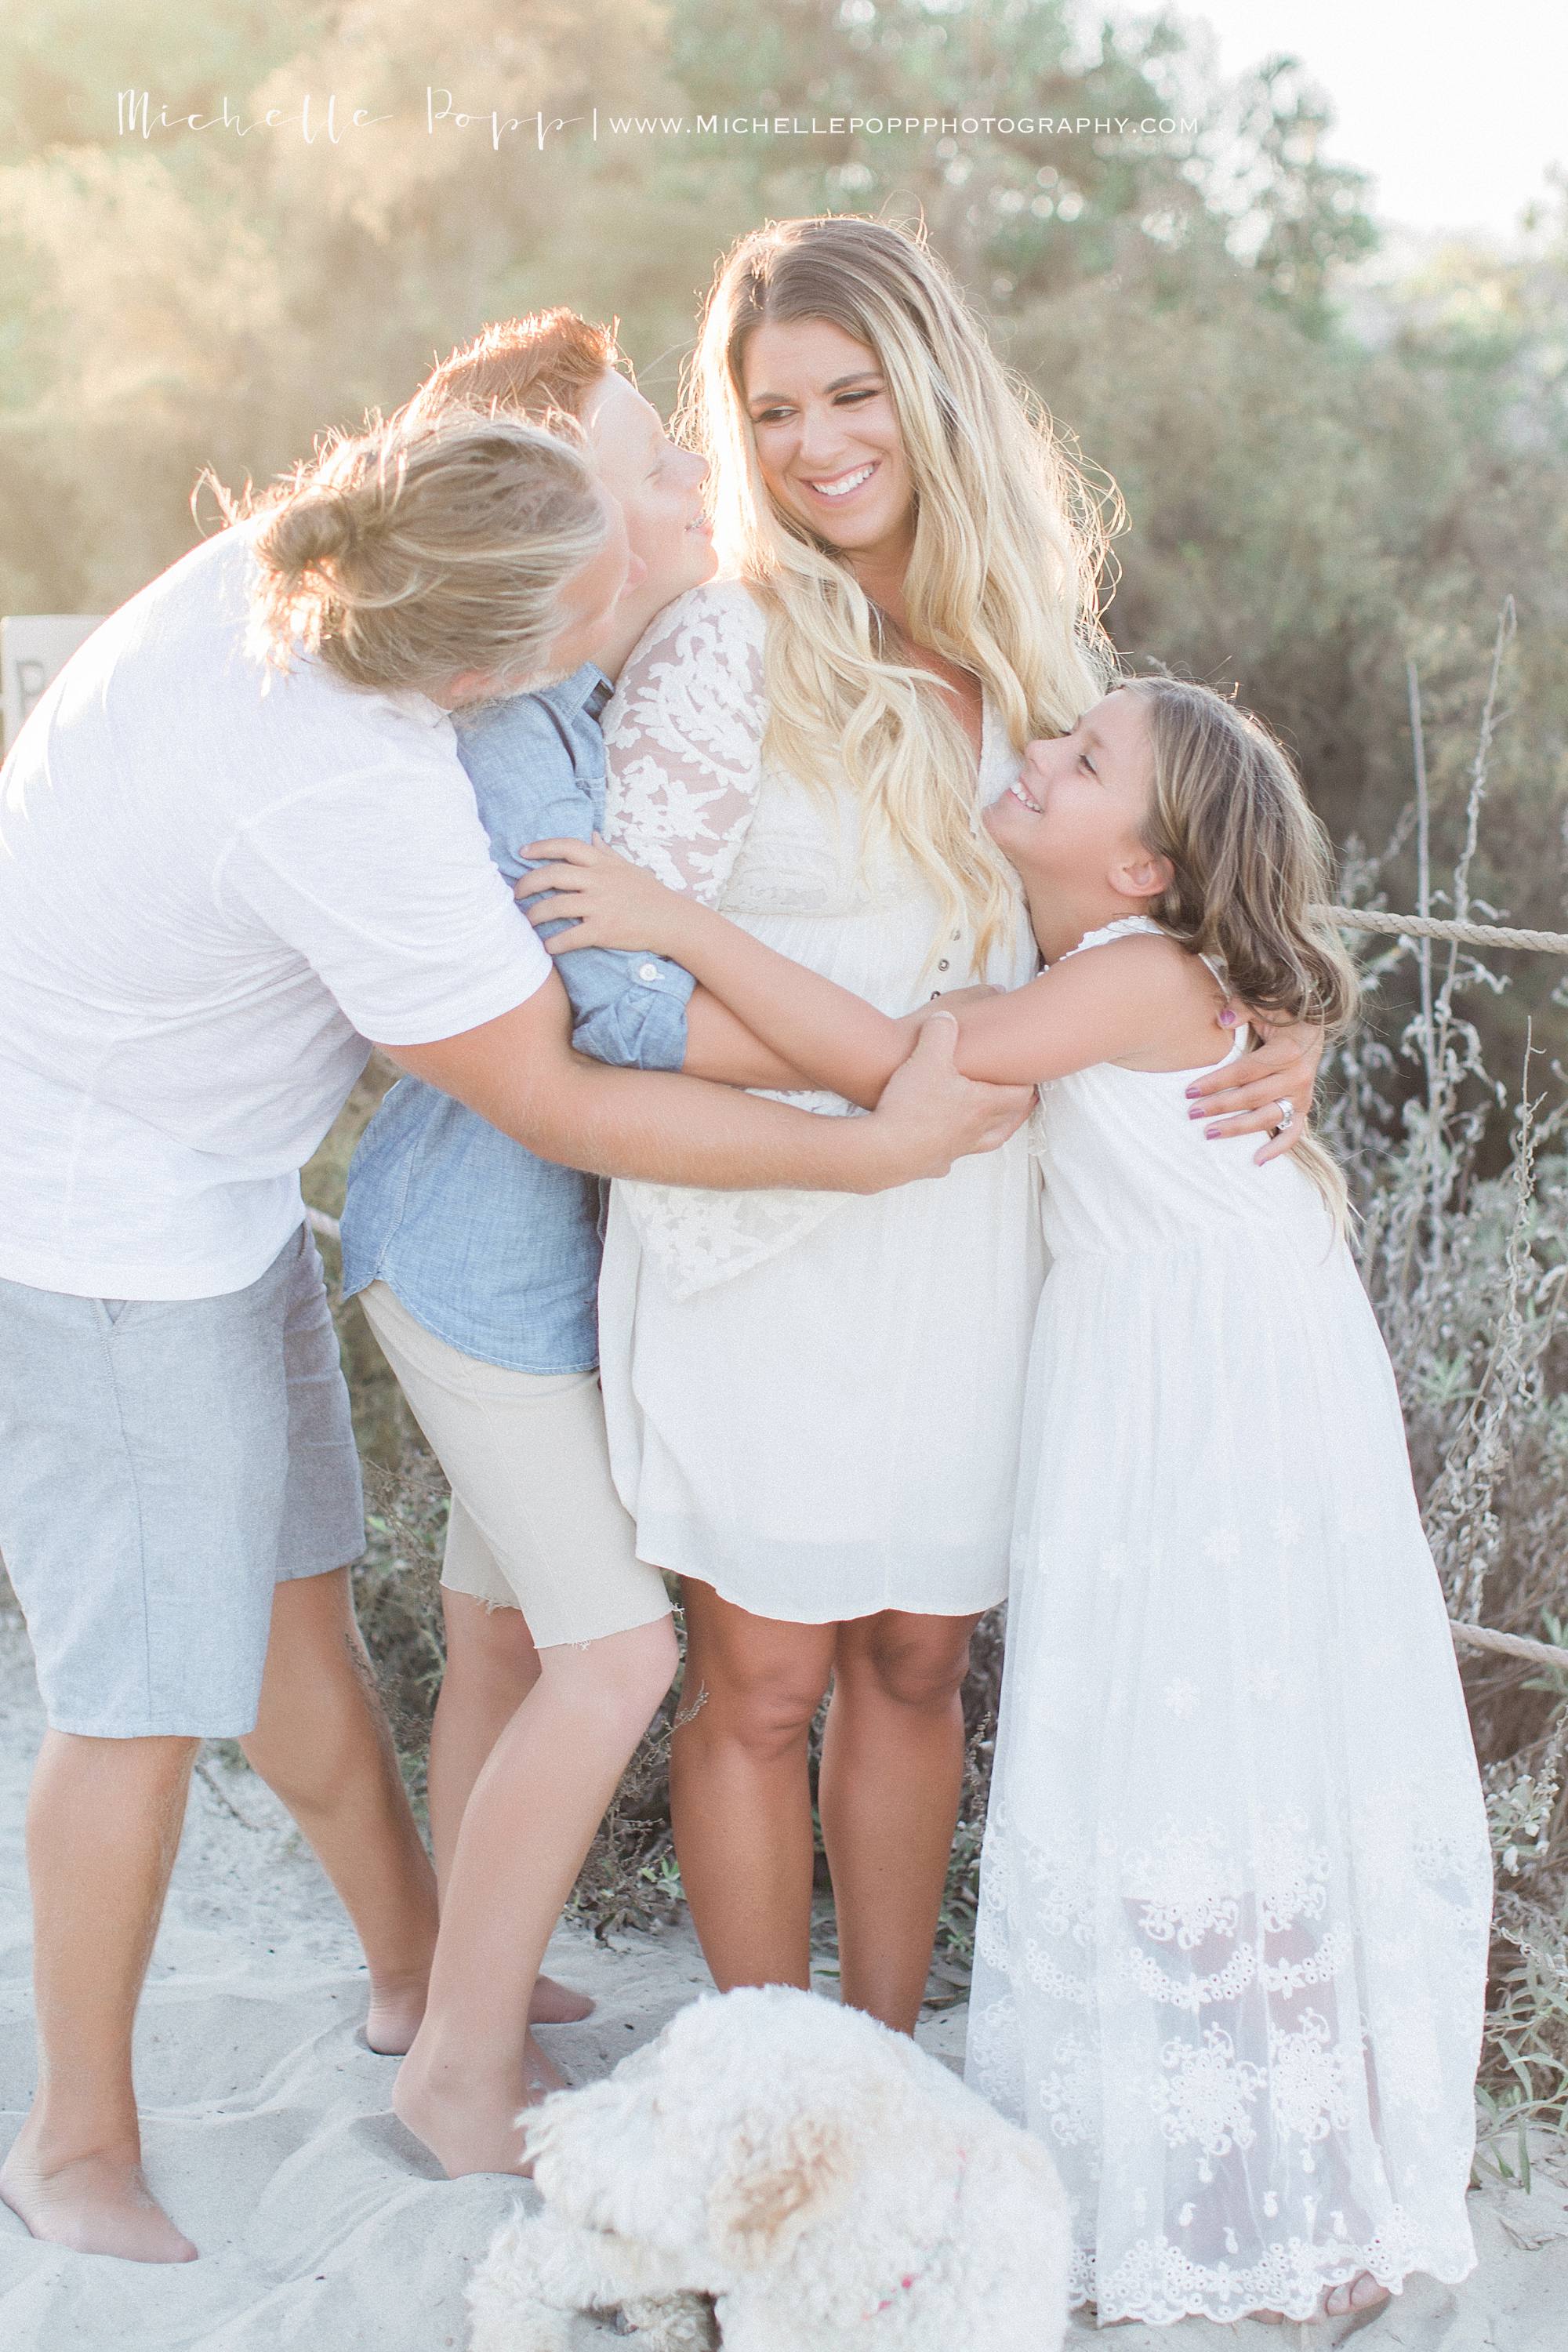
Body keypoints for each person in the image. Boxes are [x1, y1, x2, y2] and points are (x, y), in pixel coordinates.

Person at [0, 401, 1027, 2265]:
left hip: (210, 1182)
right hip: (88, 1225)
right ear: (484, 663)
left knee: (298, 1602)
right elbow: (569, 1086)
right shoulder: (356, 788)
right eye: (598, 589)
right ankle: (77, 2141)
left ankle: (419, 1975)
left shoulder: (349, 542)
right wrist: (876, 1134)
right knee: (147, 1697)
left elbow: (530, 420)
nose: (656, 558)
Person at [524, 676, 1494, 2328]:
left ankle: (1255, 2195)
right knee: (1220, 1749)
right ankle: (1251, 2171)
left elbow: (905, 1065)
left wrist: (672, 925)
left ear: (1142, 867)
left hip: (1205, 1404)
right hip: (1202, 1370)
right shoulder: (1123, 971)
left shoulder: (1122, 981)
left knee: (1192, 1746)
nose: (1037, 755)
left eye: (1081, 758)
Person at [551, 213, 1323, 2040]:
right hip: (772, 1232)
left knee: (917, 1661)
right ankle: (775, 2097)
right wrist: (883, 1075)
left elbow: (1169, 883)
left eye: (849, 392)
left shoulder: (1039, 656)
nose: (814, 445)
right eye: (770, 412)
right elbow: (620, 993)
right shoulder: (721, 648)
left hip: (983, 1234)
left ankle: (881, 2070)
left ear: (930, 388)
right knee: (755, 1677)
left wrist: (1278, 1010)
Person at [339, 312, 831, 2177]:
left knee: (493, 1640)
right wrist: (880, 1059)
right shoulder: (520, 737)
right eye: (658, 464)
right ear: (559, 521)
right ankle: (455, 2074)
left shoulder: (564, 702)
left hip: (489, 1250)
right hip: (479, 1273)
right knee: (616, 1657)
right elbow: (615, 1013)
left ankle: (457, 1982)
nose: (700, 482)